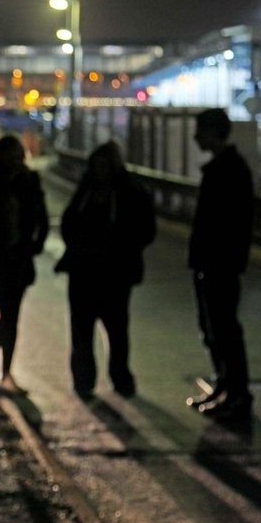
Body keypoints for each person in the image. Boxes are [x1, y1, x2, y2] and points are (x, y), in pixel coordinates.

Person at [55, 142, 156, 399]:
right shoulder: (87, 190)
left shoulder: (128, 192)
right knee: (82, 331)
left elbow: (145, 229)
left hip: (113, 274)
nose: (99, 171)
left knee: (116, 330)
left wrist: (120, 249)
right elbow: (69, 222)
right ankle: (84, 381)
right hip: (83, 272)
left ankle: (120, 378)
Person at [186, 108, 255, 422]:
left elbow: (232, 224)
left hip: (219, 264)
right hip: (212, 263)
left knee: (224, 329)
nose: (196, 137)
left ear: (213, 132)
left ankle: (236, 394)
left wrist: (223, 260)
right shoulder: (224, 167)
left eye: (200, 130)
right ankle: (225, 388)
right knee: (213, 329)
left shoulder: (228, 170)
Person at [0, 134, 49, 395]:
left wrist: (36, 244)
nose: (14, 160)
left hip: (20, 257)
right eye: (9, 155)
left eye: (17, 154)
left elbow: (41, 216)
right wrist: (8, 182)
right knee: (8, 315)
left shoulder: (31, 179)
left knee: (10, 316)